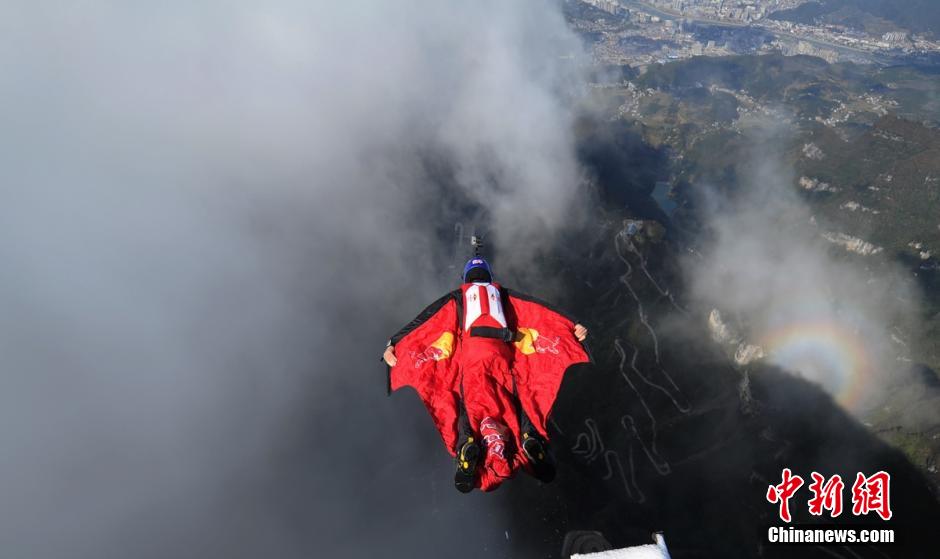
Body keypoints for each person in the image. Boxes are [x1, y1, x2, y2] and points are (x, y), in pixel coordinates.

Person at [383, 257, 589, 492]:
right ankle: (529, 438)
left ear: (466, 279)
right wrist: (572, 326)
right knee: (520, 402)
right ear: (489, 277)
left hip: (472, 363)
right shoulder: (505, 297)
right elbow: (540, 311)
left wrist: (395, 343)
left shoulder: (457, 299)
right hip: (504, 363)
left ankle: (466, 445)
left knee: (465, 410)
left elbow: (425, 320)